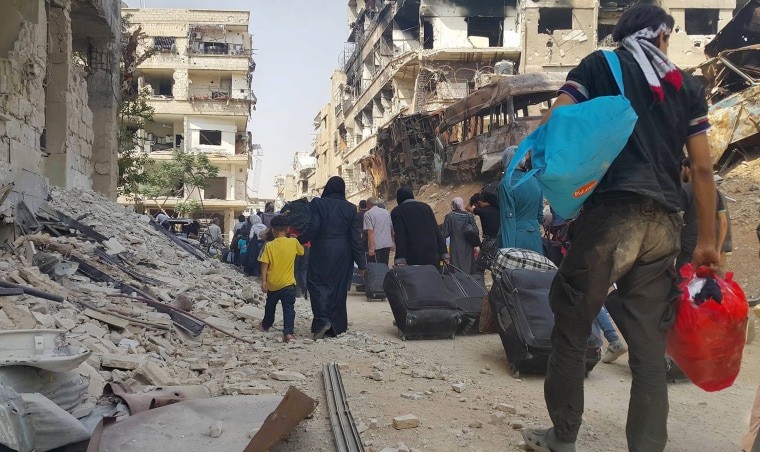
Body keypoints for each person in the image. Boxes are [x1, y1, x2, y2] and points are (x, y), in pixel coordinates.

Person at [522, 5, 719, 452]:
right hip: (665, 223)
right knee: (649, 348)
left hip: (611, 216)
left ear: (624, 35)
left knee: (573, 325)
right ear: (664, 37)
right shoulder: (686, 87)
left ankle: (563, 437)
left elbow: (559, 120)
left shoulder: (599, 65)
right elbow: (703, 169)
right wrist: (707, 241)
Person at [298, 177, 366, 339]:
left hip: (322, 248)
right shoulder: (350, 208)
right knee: (338, 287)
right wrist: (362, 264)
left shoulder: (318, 203)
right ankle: (336, 326)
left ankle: (322, 320)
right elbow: (355, 239)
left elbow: (313, 227)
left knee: (316, 283)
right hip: (343, 252)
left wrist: (298, 240)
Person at [677, 158, 730, 273]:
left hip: (690, 250)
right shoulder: (714, 191)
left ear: (687, 170)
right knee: (717, 286)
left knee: (686, 286)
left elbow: (678, 220)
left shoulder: (684, 190)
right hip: (714, 252)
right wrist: (718, 249)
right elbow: (723, 222)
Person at [258, 215, 304, 343]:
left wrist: (264, 281)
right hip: (289, 284)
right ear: (288, 229)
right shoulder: (293, 243)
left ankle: (265, 325)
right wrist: (295, 240)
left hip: (273, 284)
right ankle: (288, 333)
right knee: (289, 308)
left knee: (270, 306)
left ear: (273, 230)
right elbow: (301, 252)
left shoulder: (269, 245)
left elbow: (264, 264)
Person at [498, 146, 544, 254]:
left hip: (515, 240)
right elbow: (539, 215)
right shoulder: (535, 181)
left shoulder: (506, 184)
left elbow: (508, 219)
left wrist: (507, 252)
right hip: (535, 238)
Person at [391, 187, 449, 268]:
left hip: (413, 255)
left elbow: (400, 236)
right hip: (432, 253)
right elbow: (436, 231)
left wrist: (400, 259)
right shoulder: (425, 207)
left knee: (417, 279)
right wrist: (444, 253)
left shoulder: (397, 212)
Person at [467, 192, 501, 276]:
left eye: (475, 205)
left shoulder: (482, 211)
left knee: (479, 265)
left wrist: (472, 201)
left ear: (479, 203)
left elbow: (467, 207)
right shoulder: (497, 208)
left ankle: (479, 286)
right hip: (499, 240)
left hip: (489, 241)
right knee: (496, 260)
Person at [443, 197, 478, 274]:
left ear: (452, 206)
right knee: (469, 270)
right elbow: (476, 232)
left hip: (455, 248)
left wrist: (444, 252)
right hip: (468, 247)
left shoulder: (449, 217)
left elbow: (444, 234)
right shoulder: (469, 216)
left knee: (457, 271)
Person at [364, 197, 394, 265]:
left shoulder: (368, 214)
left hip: (376, 245)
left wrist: (371, 248)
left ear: (368, 205)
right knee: (385, 264)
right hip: (387, 243)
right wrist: (393, 242)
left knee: (377, 267)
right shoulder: (386, 212)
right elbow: (391, 228)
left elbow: (370, 231)